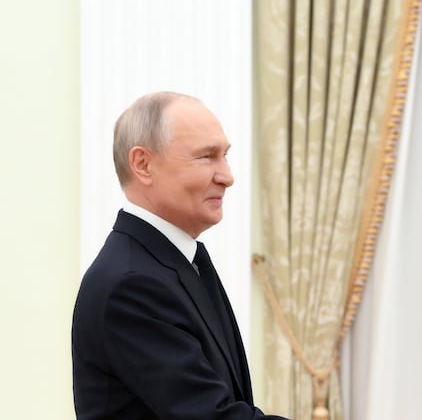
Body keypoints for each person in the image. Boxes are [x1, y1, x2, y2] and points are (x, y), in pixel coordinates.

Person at [72, 91, 288, 419]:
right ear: (143, 164)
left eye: (225, 156)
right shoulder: (131, 285)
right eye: (206, 157)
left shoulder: (179, 262)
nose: (227, 177)